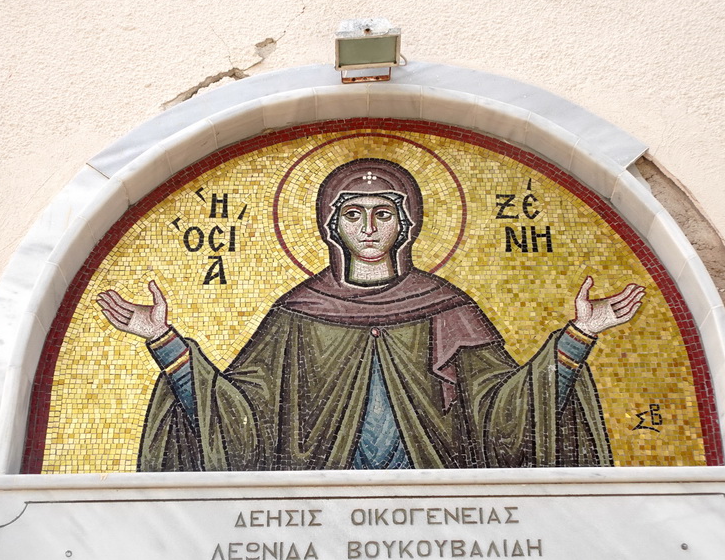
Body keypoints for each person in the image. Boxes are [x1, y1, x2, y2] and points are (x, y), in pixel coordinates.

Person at [98, 158, 644, 471]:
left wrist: (578, 336)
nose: (367, 228)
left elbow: (503, 417)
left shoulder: (447, 309)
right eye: (352, 214)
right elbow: (242, 420)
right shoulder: (297, 315)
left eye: (384, 213)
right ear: (329, 226)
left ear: (406, 225)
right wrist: (165, 340)